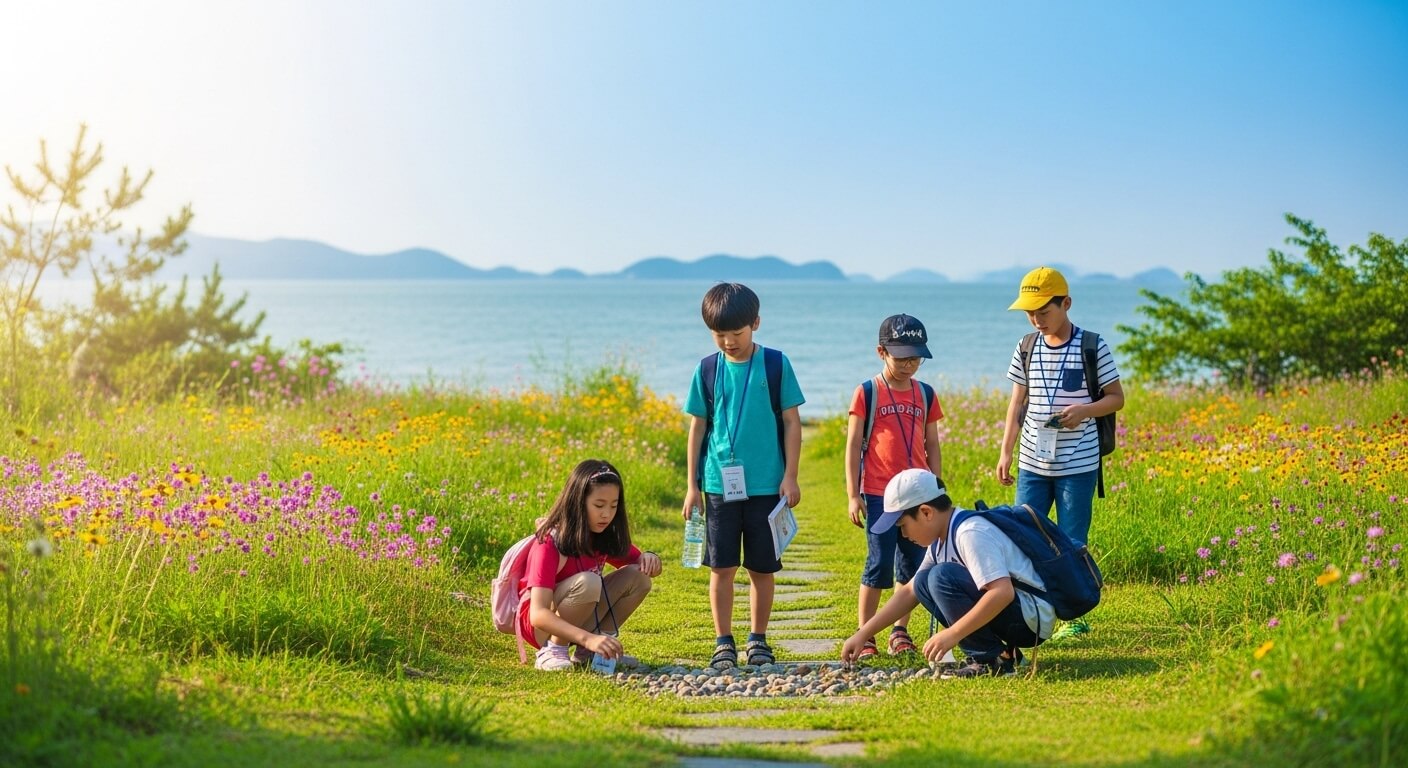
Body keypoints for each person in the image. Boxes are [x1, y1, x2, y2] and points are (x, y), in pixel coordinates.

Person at [996, 266, 1124, 640]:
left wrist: (1084, 410)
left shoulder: (1092, 345)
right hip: (1032, 462)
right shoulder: (1026, 346)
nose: (1036, 319)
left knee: (1071, 541)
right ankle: (1028, 614)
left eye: (1044, 311)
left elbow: (1117, 397)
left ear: (1066, 303)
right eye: (1030, 312)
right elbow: (1017, 402)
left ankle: (1074, 617)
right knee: (1022, 537)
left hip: (1078, 464)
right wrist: (1006, 452)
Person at [682, 282, 805, 670]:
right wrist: (692, 487)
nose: (728, 342)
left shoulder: (775, 364)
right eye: (719, 334)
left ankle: (758, 639)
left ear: (755, 324)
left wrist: (791, 476)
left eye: (736, 333)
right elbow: (698, 428)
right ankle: (723, 641)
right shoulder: (706, 369)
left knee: (762, 568)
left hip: (768, 486)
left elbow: (791, 421)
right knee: (721, 568)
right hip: (718, 487)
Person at [841, 468, 1052, 678]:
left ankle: (990, 660)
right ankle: (1003, 653)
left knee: (940, 577)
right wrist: (864, 634)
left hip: (1031, 619)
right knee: (923, 580)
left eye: (903, 525)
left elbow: (1002, 592)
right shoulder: (940, 542)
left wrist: (953, 634)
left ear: (926, 512)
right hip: (1016, 614)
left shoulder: (969, 532)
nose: (903, 534)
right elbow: (908, 593)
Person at [844, 314, 944, 661]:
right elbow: (854, 444)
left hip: (918, 493)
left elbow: (932, 443)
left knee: (914, 565)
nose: (909, 364)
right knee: (878, 563)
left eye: (915, 358)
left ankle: (899, 630)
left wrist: (935, 486)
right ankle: (866, 632)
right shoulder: (867, 392)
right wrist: (853, 494)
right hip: (877, 492)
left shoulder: (926, 394)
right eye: (901, 357)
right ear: (881, 352)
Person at [519, 459, 662, 671]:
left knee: (639, 577)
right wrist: (587, 638)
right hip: (540, 627)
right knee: (589, 582)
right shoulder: (550, 542)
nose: (606, 514)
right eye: (599, 505)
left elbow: (644, 566)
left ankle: (596, 652)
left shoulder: (602, 535)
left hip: (577, 617)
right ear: (578, 502)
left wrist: (650, 558)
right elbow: (538, 614)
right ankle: (553, 651)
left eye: (614, 506)